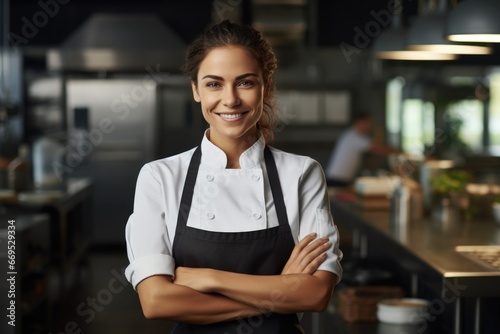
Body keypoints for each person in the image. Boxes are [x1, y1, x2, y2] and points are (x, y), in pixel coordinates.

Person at [124, 20, 342, 333]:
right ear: (196, 90)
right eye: (214, 84)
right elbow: (157, 302)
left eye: (245, 83)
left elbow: (316, 293)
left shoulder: (302, 174)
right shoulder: (160, 178)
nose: (230, 100)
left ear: (265, 86)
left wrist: (210, 279)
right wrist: (280, 289)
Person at [325, 112, 398, 187]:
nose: (369, 126)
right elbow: (378, 148)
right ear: (358, 122)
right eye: (366, 123)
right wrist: (400, 152)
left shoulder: (352, 134)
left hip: (340, 179)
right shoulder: (354, 136)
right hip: (337, 180)